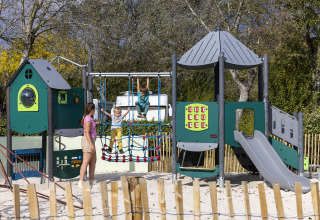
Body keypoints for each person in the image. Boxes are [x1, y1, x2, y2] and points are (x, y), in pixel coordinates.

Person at [79, 103, 99, 189]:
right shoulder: (87, 118)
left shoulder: (89, 118)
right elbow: (87, 132)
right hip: (88, 141)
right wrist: (91, 144)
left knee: (93, 161)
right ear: (92, 110)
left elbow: (91, 127)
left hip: (92, 140)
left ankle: (92, 180)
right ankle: (81, 181)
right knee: (86, 161)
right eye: (94, 109)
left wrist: (96, 123)